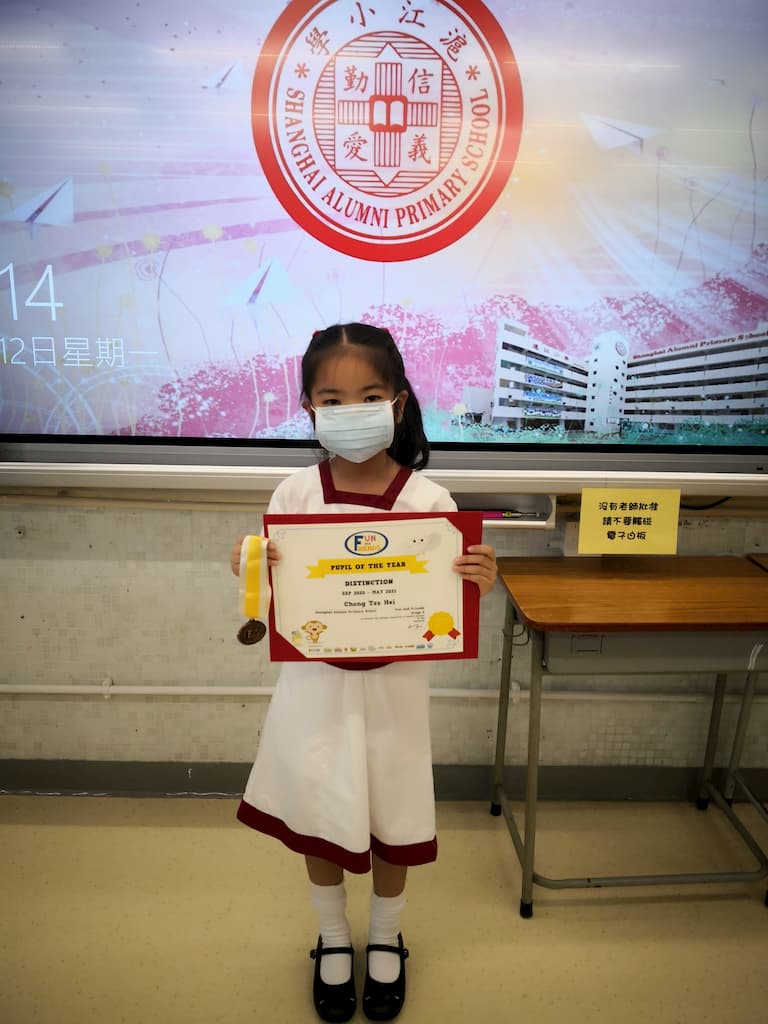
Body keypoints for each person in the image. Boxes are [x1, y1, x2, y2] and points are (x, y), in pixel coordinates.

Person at [230, 323, 497, 1023]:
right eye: (332, 399)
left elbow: (445, 604)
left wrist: (477, 577)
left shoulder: (430, 502)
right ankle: (332, 936)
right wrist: (251, 569)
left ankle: (385, 934)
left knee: (393, 810)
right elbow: (278, 601)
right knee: (319, 809)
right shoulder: (293, 494)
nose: (352, 411)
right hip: (313, 693)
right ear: (309, 408)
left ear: (399, 403)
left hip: (395, 694)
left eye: (370, 396)